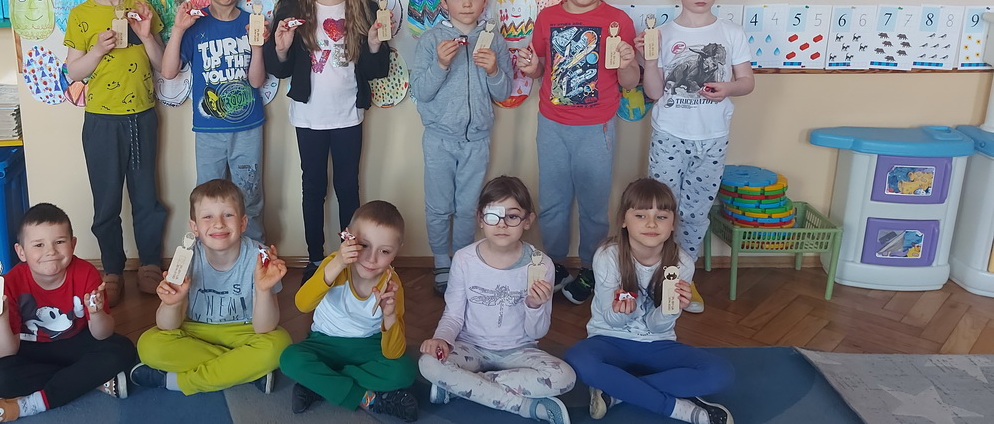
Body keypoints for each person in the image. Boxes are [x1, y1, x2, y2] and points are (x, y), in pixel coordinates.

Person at [263, 0, 391, 284]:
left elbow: (376, 71)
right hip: (309, 116)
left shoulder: (364, 8)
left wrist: (375, 44)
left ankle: (351, 259)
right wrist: (281, 47)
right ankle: (316, 259)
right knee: (313, 189)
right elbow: (278, 69)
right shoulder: (291, 7)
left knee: (348, 188)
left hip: (349, 114)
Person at [519, 0, 638, 305]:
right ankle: (554, 264)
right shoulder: (547, 18)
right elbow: (541, 68)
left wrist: (628, 62)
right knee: (552, 203)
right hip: (552, 125)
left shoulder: (619, 21)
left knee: (593, 206)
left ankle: (591, 267)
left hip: (596, 128)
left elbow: (629, 82)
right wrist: (531, 66)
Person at [636, 0, 753, 313]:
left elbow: (747, 82)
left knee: (695, 213)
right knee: (660, 211)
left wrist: (728, 88)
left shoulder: (731, 32)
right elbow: (654, 92)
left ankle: (684, 279)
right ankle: (653, 277)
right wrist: (649, 60)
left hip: (712, 139)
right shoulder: (662, 34)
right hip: (669, 135)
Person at [563, 179, 735, 423]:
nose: (651, 224)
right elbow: (611, 320)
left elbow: (658, 326)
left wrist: (669, 309)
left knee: (720, 373)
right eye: (641, 216)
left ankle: (617, 392)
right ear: (624, 220)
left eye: (661, 217)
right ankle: (680, 409)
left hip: (659, 344)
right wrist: (624, 311)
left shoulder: (682, 264)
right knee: (578, 362)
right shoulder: (608, 256)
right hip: (609, 340)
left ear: (673, 223)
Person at [63, 0, 168, 301]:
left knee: (146, 197)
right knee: (106, 200)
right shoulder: (80, 15)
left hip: (142, 117)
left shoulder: (142, 8)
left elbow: (162, 63)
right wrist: (96, 51)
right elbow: (73, 71)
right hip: (101, 122)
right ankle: (111, 269)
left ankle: (150, 263)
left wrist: (146, 35)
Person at [418, 176, 575, 424]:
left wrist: (534, 306)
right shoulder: (464, 259)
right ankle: (525, 407)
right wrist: (441, 339)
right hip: (470, 347)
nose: (502, 224)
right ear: (480, 218)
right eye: (493, 215)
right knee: (429, 363)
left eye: (512, 216)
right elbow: (453, 314)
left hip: (520, 352)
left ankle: (463, 386)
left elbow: (538, 332)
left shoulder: (541, 264)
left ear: (527, 220)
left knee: (565, 377)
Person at [0, 204, 138, 424]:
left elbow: (102, 334)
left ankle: (30, 404)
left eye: (59, 242)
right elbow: (6, 353)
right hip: (31, 348)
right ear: (21, 252)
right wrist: (0, 316)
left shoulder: (87, 273)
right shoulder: (10, 283)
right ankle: (90, 379)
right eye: (38, 245)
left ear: (73, 244)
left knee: (122, 349)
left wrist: (97, 313)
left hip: (76, 342)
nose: (50, 251)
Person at [131, 179, 292, 394]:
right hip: (196, 331)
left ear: (243, 223)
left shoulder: (260, 257)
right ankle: (243, 368)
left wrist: (263, 290)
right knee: (149, 345)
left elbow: (265, 328)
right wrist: (172, 304)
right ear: (194, 227)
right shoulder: (185, 258)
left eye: (228, 215)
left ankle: (177, 382)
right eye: (208, 217)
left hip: (244, 331)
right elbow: (167, 326)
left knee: (280, 345)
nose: (218, 224)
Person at [410, 0, 512, 295]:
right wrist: (440, 64)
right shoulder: (431, 41)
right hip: (439, 139)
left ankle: (464, 260)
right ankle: (442, 260)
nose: (466, 4)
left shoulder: (494, 40)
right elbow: (421, 91)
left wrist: (494, 70)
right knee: (439, 206)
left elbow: (504, 92)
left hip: (477, 140)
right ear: (444, 1)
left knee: (468, 207)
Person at [160, 0, 267, 242]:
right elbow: (168, 71)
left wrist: (258, 47)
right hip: (208, 131)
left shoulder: (251, 23)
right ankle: (209, 257)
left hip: (248, 128)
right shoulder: (195, 25)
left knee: (250, 197)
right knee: (207, 199)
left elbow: (257, 82)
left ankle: (255, 258)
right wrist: (178, 29)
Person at [279, 201, 419, 421]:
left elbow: (393, 353)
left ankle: (321, 384)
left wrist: (390, 315)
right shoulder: (335, 266)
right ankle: (367, 398)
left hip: (368, 346)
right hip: (324, 342)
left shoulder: (392, 285)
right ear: (348, 237)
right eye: (364, 245)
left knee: (405, 371)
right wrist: (337, 264)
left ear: (396, 251)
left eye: (384, 251)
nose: (371, 259)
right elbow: (302, 304)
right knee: (290, 359)